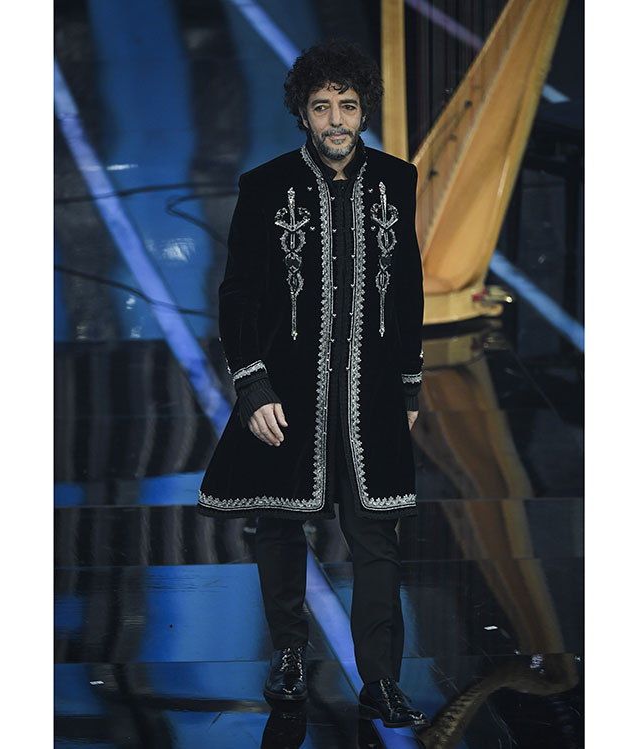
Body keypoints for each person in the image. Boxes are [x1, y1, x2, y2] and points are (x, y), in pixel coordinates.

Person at [197, 39, 428, 729]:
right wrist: (252, 385)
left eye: (347, 106)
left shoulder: (396, 179)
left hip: (372, 390)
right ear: (302, 112)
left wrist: (409, 387)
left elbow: (407, 287)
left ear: (363, 110)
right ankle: (289, 654)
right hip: (290, 391)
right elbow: (239, 293)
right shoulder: (266, 185)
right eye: (322, 106)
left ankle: (381, 680)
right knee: (279, 522)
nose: (335, 120)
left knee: (377, 534)